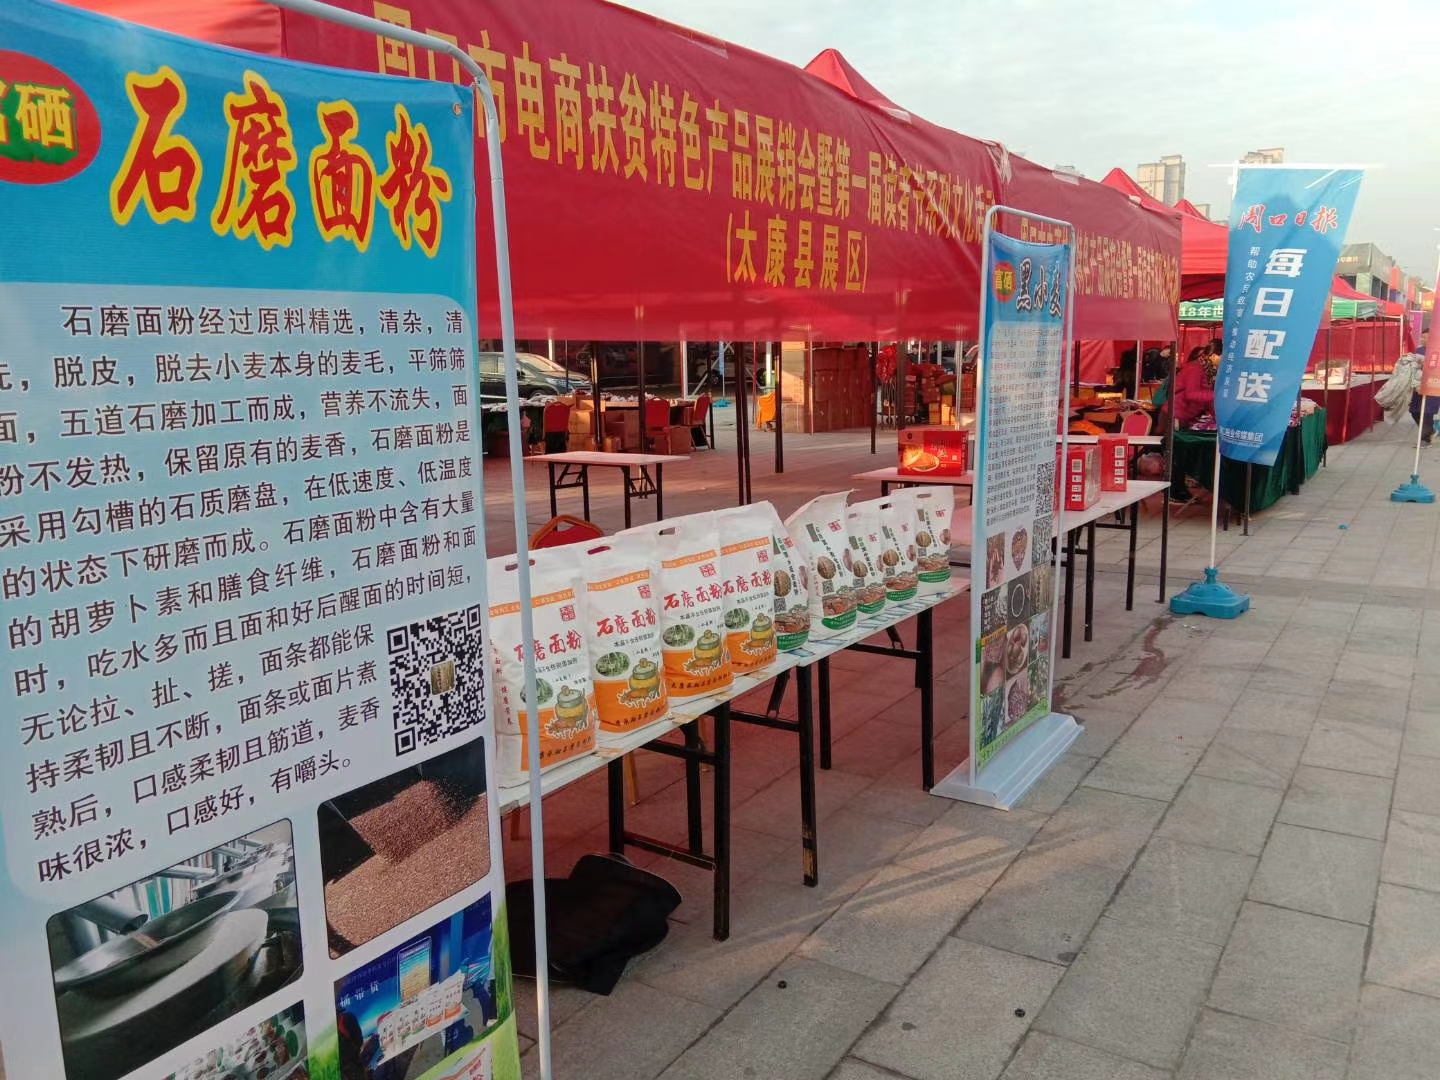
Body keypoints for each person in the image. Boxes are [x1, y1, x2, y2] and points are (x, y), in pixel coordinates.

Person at [1172, 345, 1218, 430]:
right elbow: (1191, 394)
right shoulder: (1194, 368)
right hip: (1176, 415)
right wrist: (1216, 395)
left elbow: (1206, 397)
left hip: (1184, 416)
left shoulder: (1205, 371)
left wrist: (1217, 416)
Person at [1409, 332, 1436, 446]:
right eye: (1422, 337)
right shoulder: (1419, 350)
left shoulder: (1436, 350)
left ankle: (1425, 439)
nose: (1422, 339)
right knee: (1414, 411)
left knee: (1427, 412)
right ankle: (1431, 430)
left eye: (1425, 337)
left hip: (1432, 386)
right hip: (1418, 386)